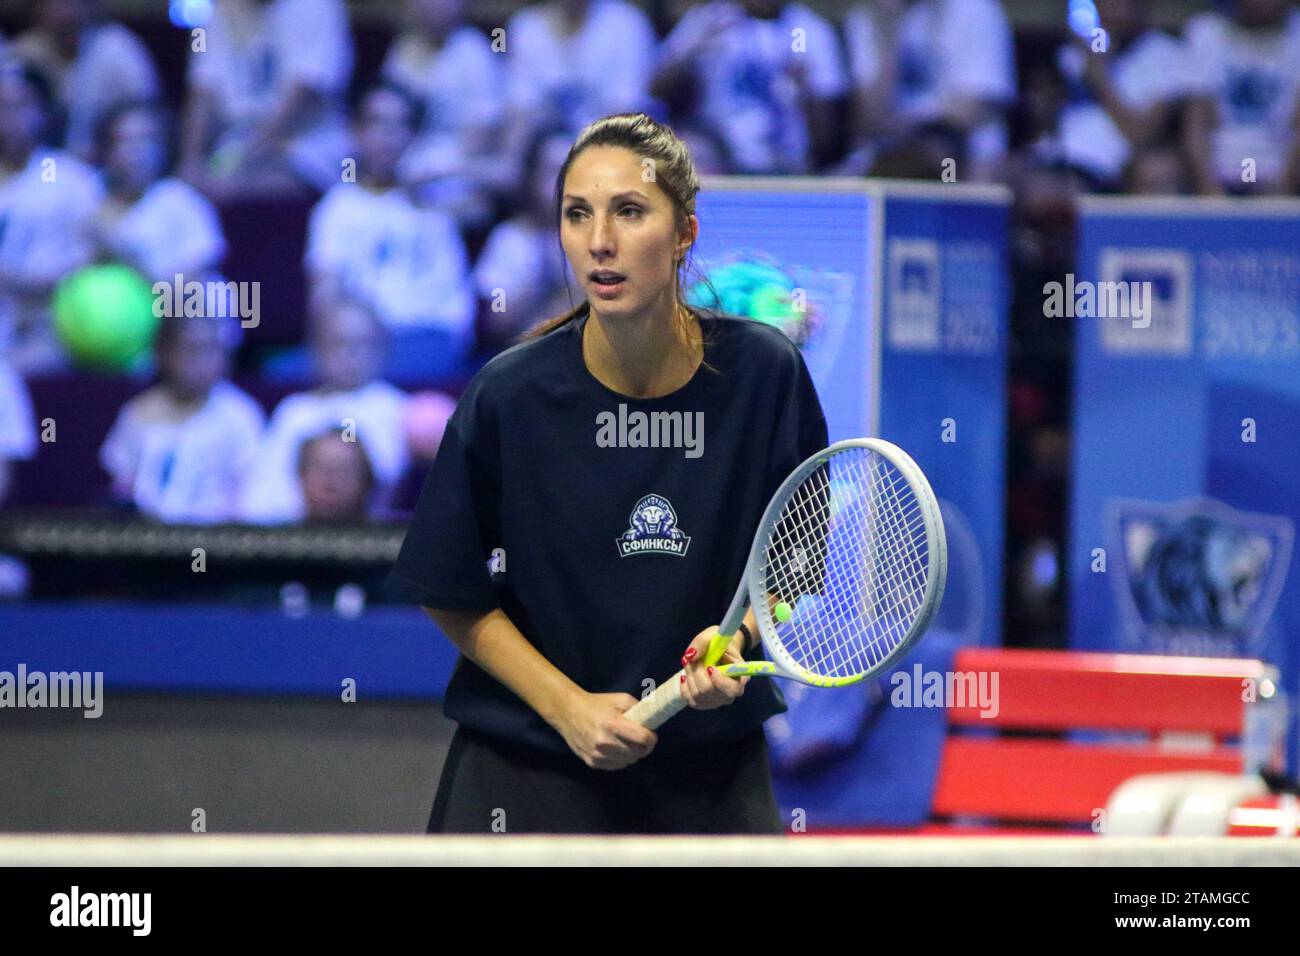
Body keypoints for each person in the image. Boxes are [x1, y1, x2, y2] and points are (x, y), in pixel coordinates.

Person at [390, 113, 829, 834]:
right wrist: (569, 707)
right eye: (577, 215)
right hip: (527, 769)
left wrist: (740, 640)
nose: (600, 241)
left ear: (685, 231)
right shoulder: (511, 395)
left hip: (708, 776)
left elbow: (793, 564)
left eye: (629, 212)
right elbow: (451, 588)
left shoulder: (764, 376)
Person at [240, 298, 408, 524]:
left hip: (369, 539)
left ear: (381, 348)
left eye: (362, 344)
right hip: (292, 538)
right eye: (339, 343)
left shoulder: (397, 409)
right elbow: (263, 495)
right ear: (316, 348)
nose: (350, 355)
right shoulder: (294, 411)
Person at [99, 313, 264, 524]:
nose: (204, 362)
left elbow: (250, 497)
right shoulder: (139, 412)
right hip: (143, 541)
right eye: (193, 349)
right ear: (164, 353)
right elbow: (122, 486)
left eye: (212, 349)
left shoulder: (240, 415)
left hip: (217, 543)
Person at [653, 0, 848, 174]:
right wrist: (688, 55)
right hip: (719, 159)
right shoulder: (711, 19)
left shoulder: (806, 30)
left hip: (788, 164)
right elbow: (656, 91)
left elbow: (827, 125)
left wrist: (805, 91)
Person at [0, 61, 103, 372]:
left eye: (21, 106)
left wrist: (35, 283)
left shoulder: (72, 177)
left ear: (42, 111)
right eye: (2, 107)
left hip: (56, 322)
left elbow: (96, 255)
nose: (10, 118)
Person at [92, 100, 227, 284]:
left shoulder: (180, 198)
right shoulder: (95, 201)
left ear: (163, 146)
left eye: (146, 140)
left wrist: (124, 256)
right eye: (125, 141)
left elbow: (191, 290)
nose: (136, 151)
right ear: (108, 151)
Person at [10, 0, 160, 161]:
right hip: (36, 170)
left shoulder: (119, 50)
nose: (66, 14)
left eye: (74, 3)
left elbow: (150, 118)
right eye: (56, 4)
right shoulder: (24, 53)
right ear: (38, 8)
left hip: (105, 174)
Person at [1179, 0, 1300, 195]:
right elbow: (1196, 122)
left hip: (1281, 169)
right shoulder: (1206, 31)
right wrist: (1208, 188)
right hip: (1222, 166)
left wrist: (1283, 187)